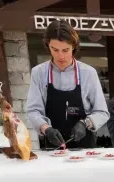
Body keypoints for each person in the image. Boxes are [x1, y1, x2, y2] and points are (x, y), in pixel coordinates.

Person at [26, 20, 109, 149]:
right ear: (48, 46)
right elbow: (33, 110)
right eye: (55, 49)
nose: (61, 56)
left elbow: (102, 112)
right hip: (53, 149)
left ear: (74, 46)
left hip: (85, 149)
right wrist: (46, 128)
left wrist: (85, 123)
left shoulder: (88, 73)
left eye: (65, 50)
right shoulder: (39, 73)